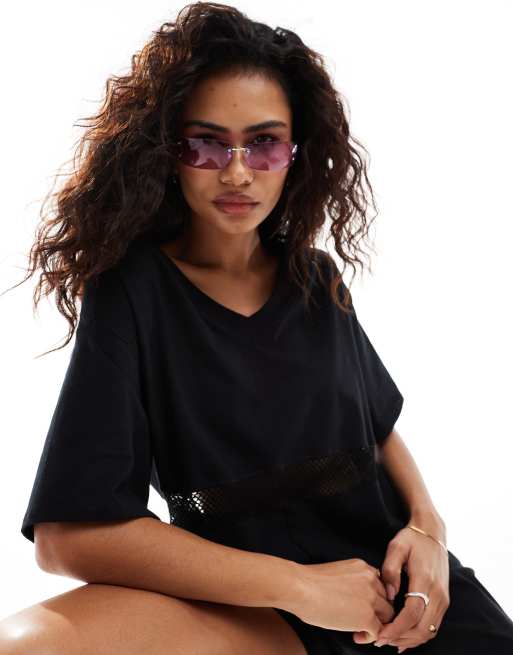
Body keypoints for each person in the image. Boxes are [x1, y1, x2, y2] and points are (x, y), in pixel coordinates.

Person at [2, 2, 513, 654]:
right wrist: (297, 587)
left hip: (390, 591)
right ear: (168, 152)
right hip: (251, 603)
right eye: (206, 143)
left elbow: (378, 429)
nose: (237, 171)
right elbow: (67, 536)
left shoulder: (317, 278)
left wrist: (427, 528)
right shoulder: (133, 292)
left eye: (265, 143)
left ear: (296, 154)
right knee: (25, 644)